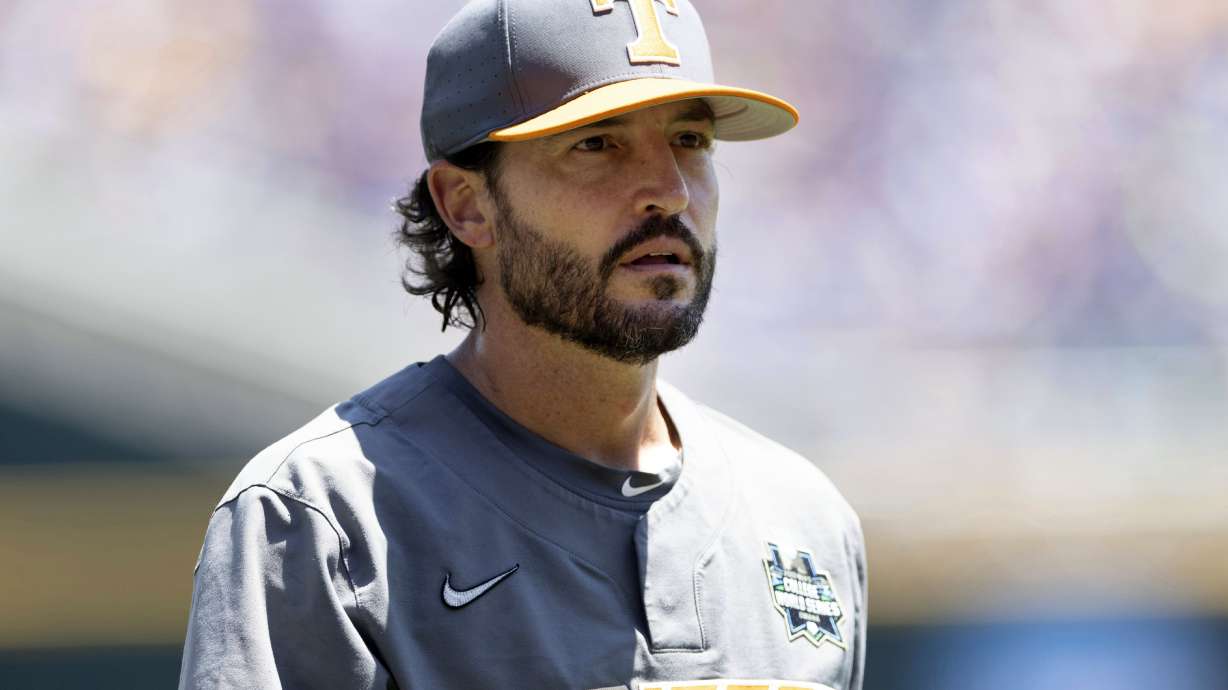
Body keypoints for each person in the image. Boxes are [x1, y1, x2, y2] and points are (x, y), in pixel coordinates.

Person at [178, 1, 866, 688]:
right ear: (467, 205)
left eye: (690, 140)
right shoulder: (319, 517)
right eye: (597, 143)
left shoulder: (803, 519)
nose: (669, 192)